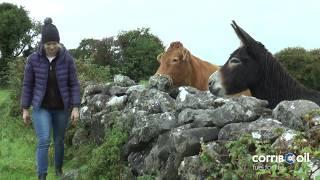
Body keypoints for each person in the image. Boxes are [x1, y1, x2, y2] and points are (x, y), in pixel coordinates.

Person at [21, 17, 80, 180]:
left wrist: (75, 107)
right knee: (44, 140)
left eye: (55, 43)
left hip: (62, 108)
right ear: (43, 44)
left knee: (59, 140)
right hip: (41, 108)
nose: (52, 47)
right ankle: (42, 175)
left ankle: (59, 170)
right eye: (48, 44)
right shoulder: (33, 60)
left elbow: (74, 84)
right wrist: (25, 108)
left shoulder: (67, 59)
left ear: (59, 42)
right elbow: (27, 85)